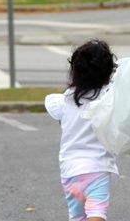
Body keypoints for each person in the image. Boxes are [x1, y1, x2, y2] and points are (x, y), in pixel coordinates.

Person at [45, 40, 118, 221]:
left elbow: (62, 122)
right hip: (97, 167)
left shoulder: (64, 100)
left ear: (74, 71)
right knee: (96, 211)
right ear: (108, 71)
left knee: (77, 216)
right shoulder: (109, 97)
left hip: (70, 171)